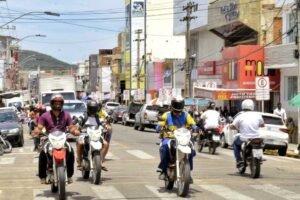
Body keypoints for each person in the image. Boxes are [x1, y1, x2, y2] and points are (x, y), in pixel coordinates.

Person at [33, 94, 80, 184]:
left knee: (71, 152)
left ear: (62, 104)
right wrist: (36, 132)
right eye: (55, 103)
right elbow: (39, 127)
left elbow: (71, 127)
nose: (57, 105)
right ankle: (42, 176)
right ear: (52, 104)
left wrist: (75, 131)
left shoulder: (66, 115)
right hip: (49, 138)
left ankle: (69, 175)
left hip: (62, 139)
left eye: (59, 103)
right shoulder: (45, 116)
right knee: (43, 153)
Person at [156, 96, 197, 181]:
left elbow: (193, 124)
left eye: (179, 112)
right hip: (169, 138)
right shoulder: (166, 115)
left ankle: (188, 172)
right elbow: (159, 125)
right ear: (171, 108)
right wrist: (160, 127)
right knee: (164, 147)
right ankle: (163, 169)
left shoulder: (186, 115)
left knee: (191, 148)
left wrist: (195, 128)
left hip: (183, 138)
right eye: (175, 111)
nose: (178, 114)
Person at [229, 99, 264, 168]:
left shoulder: (240, 116)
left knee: (235, 143)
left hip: (244, 138)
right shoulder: (257, 115)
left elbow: (233, 126)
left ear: (243, 106)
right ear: (252, 106)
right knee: (261, 144)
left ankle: (239, 160)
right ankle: (260, 157)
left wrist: (233, 127)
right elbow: (262, 125)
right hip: (256, 137)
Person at [76, 100, 102, 169]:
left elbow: (102, 123)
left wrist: (106, 126)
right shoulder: (84, 115)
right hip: (84, 134)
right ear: (88, 108)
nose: (93, 110)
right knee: (80, 143)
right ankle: (79, 161)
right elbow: (79, 119)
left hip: (95, 134)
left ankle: (100, 161)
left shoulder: (97, 116)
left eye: (94, 108)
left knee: (105, 143)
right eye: (91, 108)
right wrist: (78, 121)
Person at [98, 102, 112, 171]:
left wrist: (108, 121)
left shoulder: (103, 112)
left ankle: (102, 159)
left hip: (102, 128)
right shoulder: (89, 113)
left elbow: (107, 118)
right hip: (92, 130)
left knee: (106, 144)